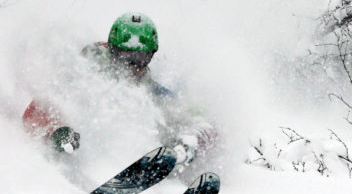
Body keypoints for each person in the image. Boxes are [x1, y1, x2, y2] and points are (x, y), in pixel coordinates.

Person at [22, 12, 216, 167]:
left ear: (151, 56)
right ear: (112, 50)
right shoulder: (82, 74)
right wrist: (56, 130)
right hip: (76, 157)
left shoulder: (152, 93)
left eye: (142, 58)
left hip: (125, 160)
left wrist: (188, 144)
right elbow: (38, 108)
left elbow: (200, 123)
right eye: (126, 56)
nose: (134, 65)